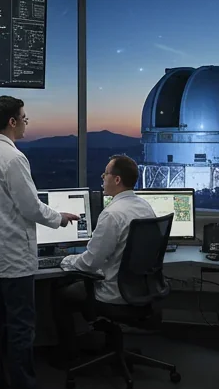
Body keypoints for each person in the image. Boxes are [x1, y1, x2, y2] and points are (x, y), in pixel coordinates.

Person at [0, 95, 79, 389]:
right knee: (21, 326)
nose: (26, 121)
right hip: (14, 257)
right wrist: (59, 218)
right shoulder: (14, 159)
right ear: (12, 121)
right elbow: (30, 207)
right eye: (24, 116)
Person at [51, 154, 155, 365]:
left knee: (58, 293)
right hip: (142, 290)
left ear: (117, 180)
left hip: (113, 295)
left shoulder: (112, 214)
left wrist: (65, 260)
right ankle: (107, 344)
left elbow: (89, 263)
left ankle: (68, 356)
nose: (102, 178)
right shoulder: (146, 208)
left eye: (105, 173)